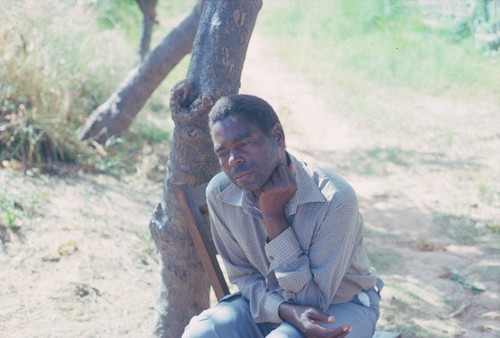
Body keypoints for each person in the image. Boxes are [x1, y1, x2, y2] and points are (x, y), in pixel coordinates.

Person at [182, 94, 383, 338]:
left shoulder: (334, 197)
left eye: (243, 144)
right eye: (223, 153)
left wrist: (273, 215)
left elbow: (312, 301)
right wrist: (282, 310)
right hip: (266, 305)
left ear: (277, 137)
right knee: (200, 333)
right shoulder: (221, 192)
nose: (234, 160)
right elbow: (244, 277)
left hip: (340, 307)